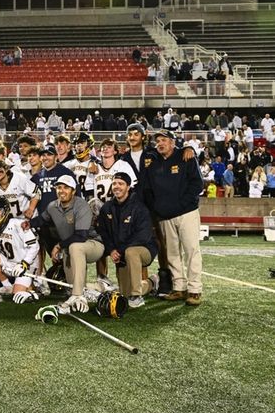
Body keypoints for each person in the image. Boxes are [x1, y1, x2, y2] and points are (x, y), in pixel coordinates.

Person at [25, 175, 104, 314]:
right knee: (72, 284)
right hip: (70, 247)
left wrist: (59, 245)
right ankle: (96, 289)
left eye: (66, 188)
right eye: (59, 187)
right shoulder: (53, 206)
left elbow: (81, 236)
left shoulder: (81, 205)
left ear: (73, 191)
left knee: (75, 247)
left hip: (93, 244)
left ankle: (78, 296)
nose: (62, 190)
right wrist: (28, 223)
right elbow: (41, 220)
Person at [142, 130, 204, 306]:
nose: (160, 143)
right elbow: (148, 189)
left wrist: (183, 204)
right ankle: (179, 287)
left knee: (192, 250)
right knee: (172, 254)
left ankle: (195, 290)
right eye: (158, 141)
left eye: (164, 140)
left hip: (187, 213)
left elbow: (197, 184)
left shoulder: (186, 156)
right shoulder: (153, 162)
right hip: (164, 215)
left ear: (172, 142)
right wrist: (157, 207)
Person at [96, 172, 158, 308]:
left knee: (131, 252)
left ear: (128, 187)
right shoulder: (107, 208)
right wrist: (111, 250)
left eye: (121, 184)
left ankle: (137, 296)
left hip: (144, 248)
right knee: (124, 293)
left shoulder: (139, 207)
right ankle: (152, 282)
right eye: (114, 183)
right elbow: (104, 233)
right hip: (120, 251)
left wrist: (120, 250)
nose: (117, 187)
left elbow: (143, 235)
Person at [0, 196, 41, 300]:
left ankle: (35, 286)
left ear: (5, 211)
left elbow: (35, 246)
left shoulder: (18, 224)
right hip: (9, 263)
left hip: (25, 265)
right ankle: (7, 285)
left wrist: (25, 263)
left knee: (17, 295)